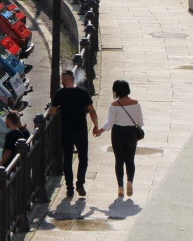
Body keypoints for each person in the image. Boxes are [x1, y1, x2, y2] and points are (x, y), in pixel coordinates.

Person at [49, 70, 99, 198]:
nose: (61, 80)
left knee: (67, 158)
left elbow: (53, 112)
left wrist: (60, 109)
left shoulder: (60, 94)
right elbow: (92, 111)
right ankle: (80, 183)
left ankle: (69, 188)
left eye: (62, 78)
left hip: (66, 130)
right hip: (81, 129)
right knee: (83, 158)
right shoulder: (83, 92)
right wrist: (96, 126)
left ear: (66, 79)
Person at [94, 79, 143, 198]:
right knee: (130, 159)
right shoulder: (136, 103)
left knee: (119, 160)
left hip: (118, 133)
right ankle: (130, 181)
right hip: (131, 133)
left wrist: (100, 131)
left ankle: (120, 186)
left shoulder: (114, 105)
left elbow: (110, 123)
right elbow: (140, 122)